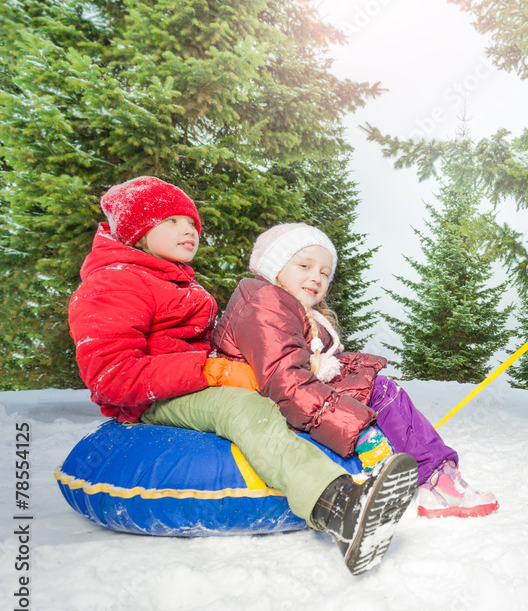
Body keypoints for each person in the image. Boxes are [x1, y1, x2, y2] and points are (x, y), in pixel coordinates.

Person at [68, 176, 418, 576]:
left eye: (192, 223)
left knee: (278, 387)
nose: (188, 230)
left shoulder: (175, 281)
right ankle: (336, 504)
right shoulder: (113, 282)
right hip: (150, 400)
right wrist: (210, 369)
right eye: (172, 221)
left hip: (189, 387)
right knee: (245, 408)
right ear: (137, 231)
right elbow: (111, 375)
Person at [211, 222, 499, 519]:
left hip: (286, 401)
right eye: (304, 265)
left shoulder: (298, 312)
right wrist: (359, 429)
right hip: (265, 405)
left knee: (376, 386)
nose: (316, 277)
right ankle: (438, 483)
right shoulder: (265, 302)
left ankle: (433, 473)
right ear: (275, 266)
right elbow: (285, 381)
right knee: (381, 392)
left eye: (324, 273)